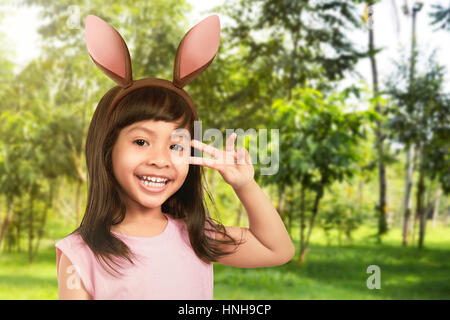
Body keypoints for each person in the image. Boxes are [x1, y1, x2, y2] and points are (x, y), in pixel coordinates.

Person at [55, 14, 295, 300]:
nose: (161, 159)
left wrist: (244, 185)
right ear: (106, 149)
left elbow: (277, 250)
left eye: (177, 145)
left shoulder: (196, 235)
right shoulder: (81, 254)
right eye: (141, 141)